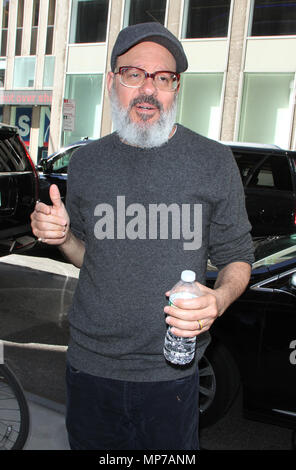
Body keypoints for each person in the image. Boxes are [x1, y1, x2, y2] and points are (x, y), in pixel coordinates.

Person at [30, 22, 254, 450]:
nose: (148, 90)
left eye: (162, 78)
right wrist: (60, 238)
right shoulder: (88, 162)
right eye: (134, 74)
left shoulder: (213, 161)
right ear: (113, 81)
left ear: (175, 88)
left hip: (171, 372)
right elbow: (87, 254)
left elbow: (238, 256)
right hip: (90, 367)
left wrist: (219, 299)